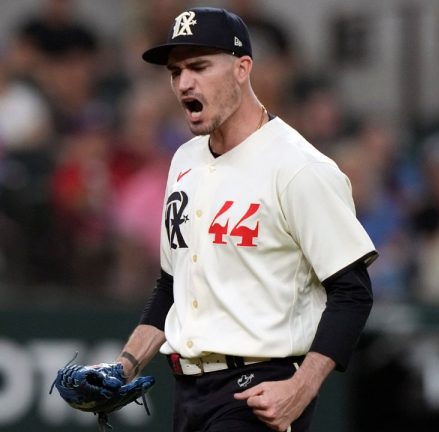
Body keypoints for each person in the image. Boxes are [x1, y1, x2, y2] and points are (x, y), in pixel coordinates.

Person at [103, 7, 377, 431]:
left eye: (199, 66)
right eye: (176, 72)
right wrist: (122, 367)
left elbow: (352, 291)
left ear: (241, 69)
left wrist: (302, 387)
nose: (184, 83)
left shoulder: (297, 166)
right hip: (190, 393)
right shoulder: (184, 161)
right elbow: (173, 284)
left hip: (260, 390)